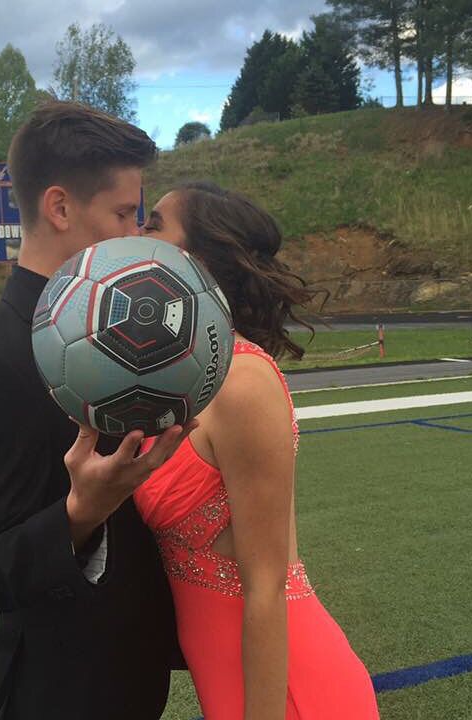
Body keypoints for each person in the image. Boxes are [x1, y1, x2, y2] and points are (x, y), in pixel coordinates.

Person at [0, 101, 197, 720]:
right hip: (61, 692)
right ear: (59, 207)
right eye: (124, 213)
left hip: (138, 671)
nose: (137, 233)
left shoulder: (131, 331)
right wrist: (81, 511)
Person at [136, 181, 380, 720]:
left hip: (288, 692)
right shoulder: (179, 374)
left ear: (197, 259)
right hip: (229, 683)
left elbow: (266, 587)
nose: (137, 235)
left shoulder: (242, 378)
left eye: (153, 224)